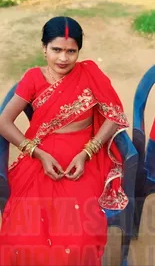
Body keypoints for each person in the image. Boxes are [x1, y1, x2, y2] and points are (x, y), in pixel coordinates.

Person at [0, 16, 129, 266]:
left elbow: (114, 115)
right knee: (26, 231)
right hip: (40, 158)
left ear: (79, 51)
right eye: (56, 49)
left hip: (84, 160)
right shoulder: (33, 78)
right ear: (44, 49)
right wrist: (36, 153)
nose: (63, 58)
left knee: (78, 233)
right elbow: (4, 121)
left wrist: (88, 152)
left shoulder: (89, 73)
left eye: (71, 51)